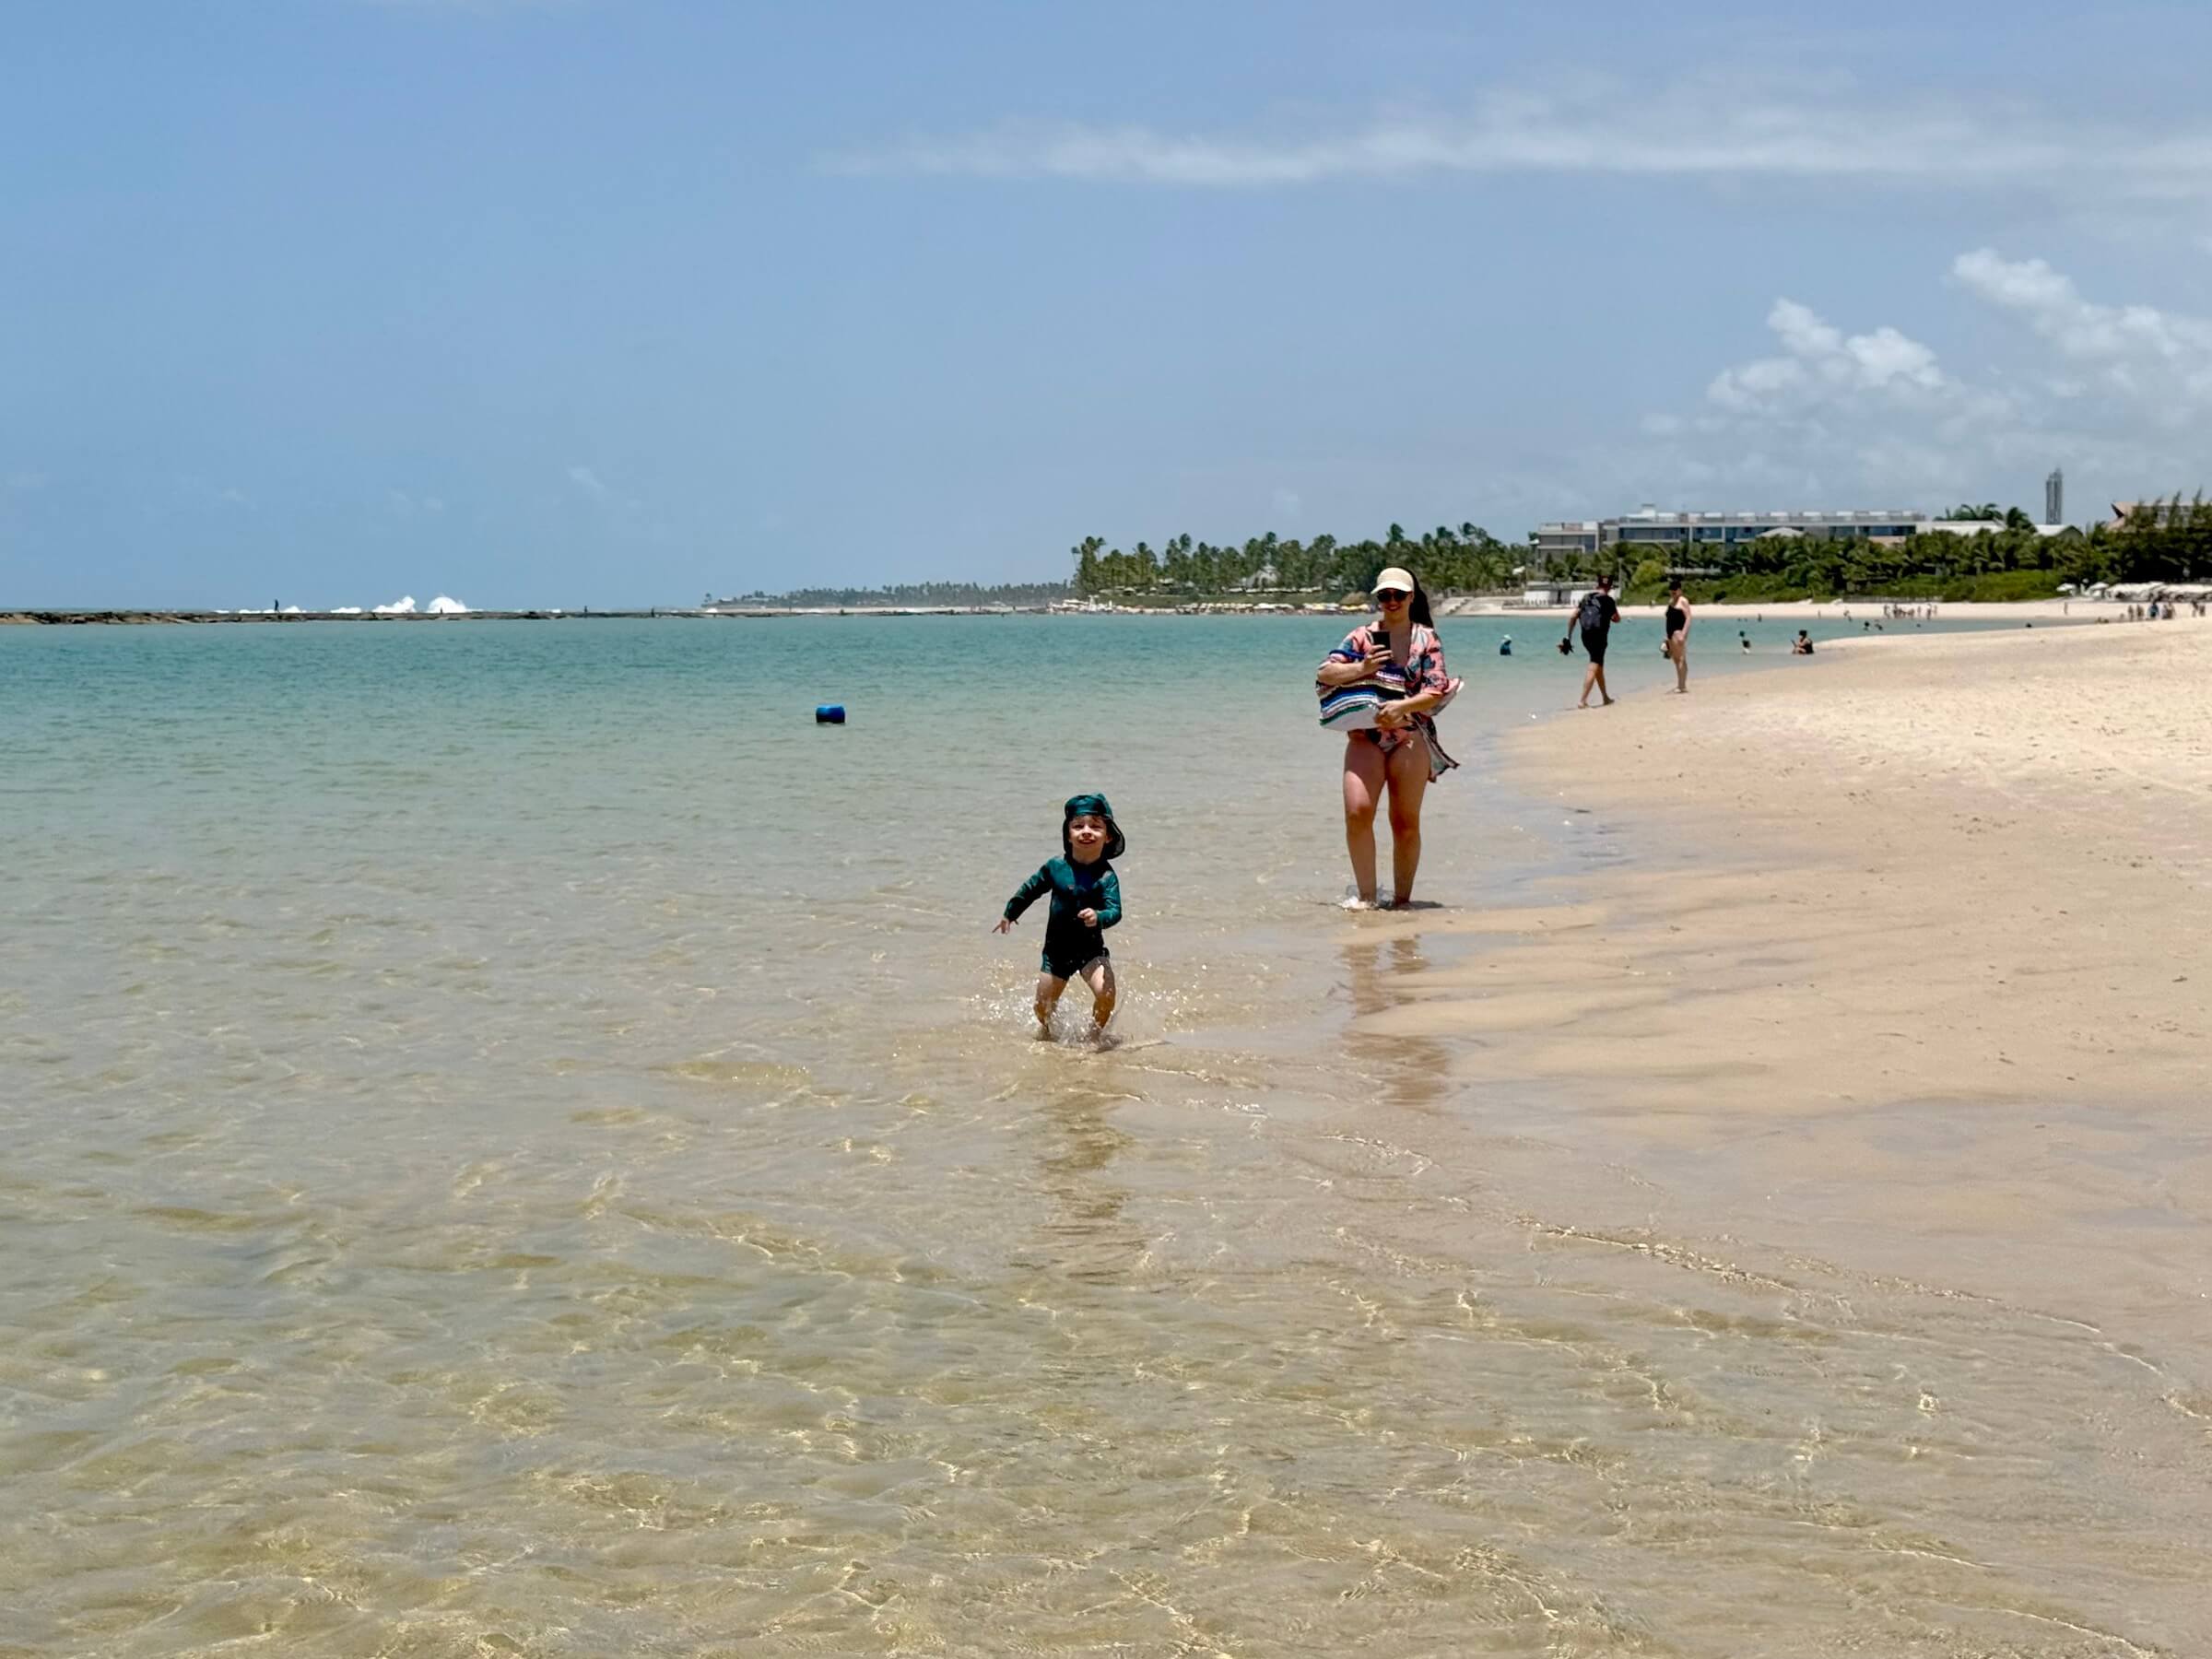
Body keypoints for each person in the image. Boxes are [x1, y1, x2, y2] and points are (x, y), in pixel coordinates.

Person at [1315, 568, 1462, 910]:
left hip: (1409, 736)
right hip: (1364, 736)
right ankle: (1366, 900)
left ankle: (1401, 902)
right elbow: (1324, 672)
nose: (1392, 601)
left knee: (1404, 822)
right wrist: (1361, 668)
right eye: (1385, 595)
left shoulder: (1426, 639)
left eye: (1399, 595)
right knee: (1357, 813)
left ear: (1411, 597)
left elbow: (1435, 690)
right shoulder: (1362, 637)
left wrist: (1401, 707)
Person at [995, 794, 1124, 1043]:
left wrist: (1099, 916)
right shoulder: (1056, 867)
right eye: (1078, 826)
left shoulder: (1107, 877)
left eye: (1095, 826)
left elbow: (1115, 910)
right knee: (1042, 1009)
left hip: (1091, 949)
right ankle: (1048, 1038)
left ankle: (1094, 1035)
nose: (1086, 831)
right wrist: (1011, 913)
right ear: (1068, 835)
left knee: (1106, 993)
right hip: (1057, 952)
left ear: (1108, 836)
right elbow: (1031, 889)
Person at [1561, 574, 1619, 707]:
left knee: (1598, 665)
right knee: (1594, 665)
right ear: (1610, 586)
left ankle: (1605, 697)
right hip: (1600, 636)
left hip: (1586, 636)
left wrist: (1568, 637)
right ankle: (1582, 701)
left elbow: (1573, 617)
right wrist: (1610, 617)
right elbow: (1617, 618)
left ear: (1598, 584)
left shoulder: (1587, 597)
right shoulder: (1609, 601)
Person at [1662, 581, 1691, 694]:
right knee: (1675, 659)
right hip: (1670, 633)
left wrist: (1683, 634)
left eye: (1675, 590)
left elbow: (1688, 618)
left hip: (1678, 632)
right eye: (1671, 591)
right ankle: (1680, 684)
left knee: (1681, 659)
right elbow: (1668, 618)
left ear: (1680, 590)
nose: (1673, 592)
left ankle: (1682, 686)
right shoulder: (1671, 601)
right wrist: (1666, 637)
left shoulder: (1683, 601)